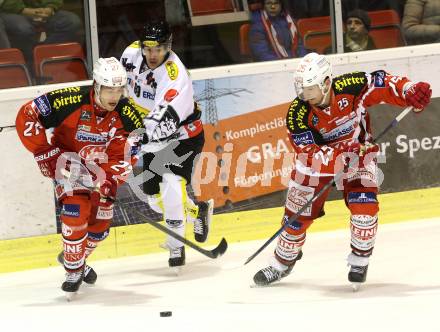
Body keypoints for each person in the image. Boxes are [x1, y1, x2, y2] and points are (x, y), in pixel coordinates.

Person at [253, 52, 432, 288]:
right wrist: (343, 153)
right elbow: (309, 154)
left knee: (364, 210)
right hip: (316, 167)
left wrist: (409, 89)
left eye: (310, 89)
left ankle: (359, 259)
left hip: (358, 158)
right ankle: (282, 262)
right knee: (295, 221)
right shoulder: (297, 113)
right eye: (301, 89)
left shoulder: (351, 86)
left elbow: (383, 82)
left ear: (327, 83)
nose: (304, 95)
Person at [15, 57, 144, 296]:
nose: (114, 96)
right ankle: (73, 269)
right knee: (75, 211)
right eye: (109, 89)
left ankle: (75, 257)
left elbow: (127, 156)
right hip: (68, 166)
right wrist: (44, 150)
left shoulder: (128, 115)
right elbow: (27, 115)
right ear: (96, 85)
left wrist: (109, 180)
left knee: (100, 227)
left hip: (100, 172)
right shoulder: (69, 100)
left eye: (119, 89)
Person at [120, 21, 214, 268]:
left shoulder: (175, 74)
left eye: (159, 49)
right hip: (153, 137)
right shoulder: (130, 54)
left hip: (183, 136)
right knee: (153, 197)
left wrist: (139, 136)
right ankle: (196, 211)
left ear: (168, 47)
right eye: (148, 48)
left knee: (172, 185)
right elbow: (120, 90)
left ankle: (175, 248)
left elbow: (164, 119)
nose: (152, 54)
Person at [0, 0, 81, 65]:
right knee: (23, 29)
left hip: (42, 10)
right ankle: (29, 66)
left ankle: (43, 59)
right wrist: (24, 10)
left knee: (71, 22)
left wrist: (50, 8)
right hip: (13, 11)